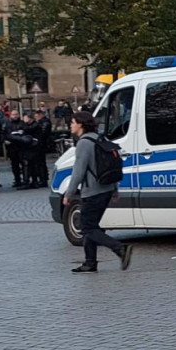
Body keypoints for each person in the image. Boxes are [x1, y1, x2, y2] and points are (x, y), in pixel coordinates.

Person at [64, 111, 133, 273]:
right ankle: (90, 262)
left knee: (87, 228)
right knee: (92, 226)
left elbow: (78, 172)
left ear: (81, 124)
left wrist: (69, 194)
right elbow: (111, 165)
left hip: (92, 192)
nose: (71, 125)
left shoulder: (83, 143)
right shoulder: (101, 138)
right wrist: (115, 189)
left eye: (73, 122)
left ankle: (120, 248)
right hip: (106, 189)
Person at [4, 111, 25, 187]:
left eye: (16, 114)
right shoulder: (7, 124)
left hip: (21, 146)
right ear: (10, 115)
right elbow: (4, 134)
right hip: (12, 147)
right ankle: (17, 180)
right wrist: (5, 140)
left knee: (24, 164)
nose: (15, 116)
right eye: (13, 115)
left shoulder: (22, 123)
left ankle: (25, 179)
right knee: (14, 165)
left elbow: (25, 132)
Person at [33, 110, 52, 187]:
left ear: (40, 115)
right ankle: (42, 178)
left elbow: (43, 133)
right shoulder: (42, 122)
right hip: (41, 144)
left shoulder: (44, 123)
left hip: (41, 144)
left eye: (37, 116)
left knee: (41, 162)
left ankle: (43, 179)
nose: (36, 117)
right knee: (40, 163)